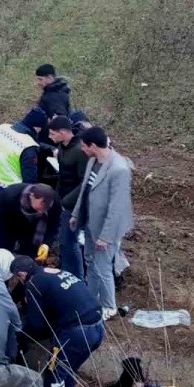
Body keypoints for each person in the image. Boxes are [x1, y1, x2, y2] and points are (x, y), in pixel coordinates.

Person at [11, 257, 105, 387]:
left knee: (54, 374)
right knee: (68, 372)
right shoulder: (55, 273)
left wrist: (20, 336)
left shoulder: (33, 284)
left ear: (21, 274)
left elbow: (36, 324)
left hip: (76, 333)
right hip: (98, 327)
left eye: (18, 278)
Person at [69, 127, 133, 321]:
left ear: (93, 146)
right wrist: (75, 214)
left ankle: (109, 306)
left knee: (103, 266)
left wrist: (105, 236)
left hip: (107, 228)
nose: (81, 149)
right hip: (90, 223)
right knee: (90, 260)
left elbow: (117, 208)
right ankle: (91, 298)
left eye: (83, 145)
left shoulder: (119, 169)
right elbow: (85, 191)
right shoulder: (92, 161)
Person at [48, 116, 91, 278]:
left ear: (64, 132)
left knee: (70, 242)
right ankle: (67, 273)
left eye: (53, 134)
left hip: (75, 205)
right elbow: (62, 176)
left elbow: (84, 182)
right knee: (65, 242)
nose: (50, 137)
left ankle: (76, 278)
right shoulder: (62, 148)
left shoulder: (80, 152)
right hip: (64, 201)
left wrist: (66, 202)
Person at [0, 183, 56, 258]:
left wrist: (46, 244)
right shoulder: (8, 197)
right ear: (31, 196)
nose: (41, 212)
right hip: (8, 223)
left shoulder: (54, 201)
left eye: (46, 209)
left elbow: (53, 224)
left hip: (33, 229)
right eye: (38, 209)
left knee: (31, 254)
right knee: (1, 251)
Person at [0, 107, 47, 199]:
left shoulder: (2, 129)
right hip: (14, 192)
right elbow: (29, 179)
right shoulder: (28, 146)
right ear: (37, 127)